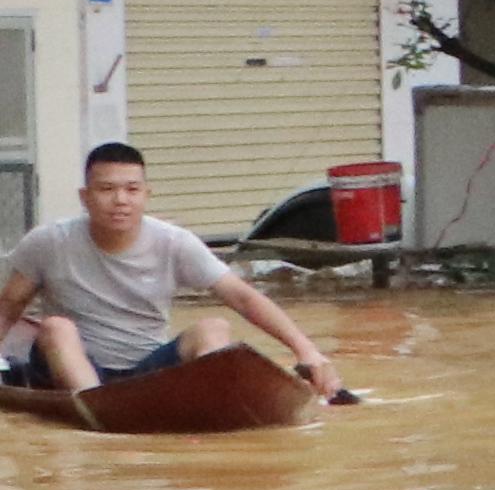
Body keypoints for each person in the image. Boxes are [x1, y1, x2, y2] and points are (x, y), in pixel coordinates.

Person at [7, 145, 338, 397]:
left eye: (132, 190)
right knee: (54, 327)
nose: (120, 200)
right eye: (107, 189)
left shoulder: (174, 242)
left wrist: (305, 350)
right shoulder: (49, 242)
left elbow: (244, 298)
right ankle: (95, 404)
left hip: (147, 369)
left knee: (214, 328)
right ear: (85, 197)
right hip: (72, 365)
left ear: (146, 196)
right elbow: (9, 306)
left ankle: (214, 404)